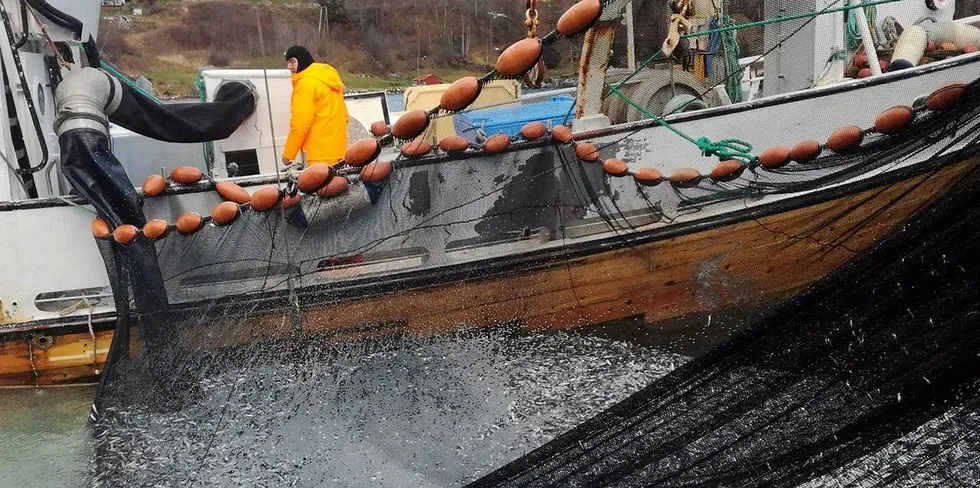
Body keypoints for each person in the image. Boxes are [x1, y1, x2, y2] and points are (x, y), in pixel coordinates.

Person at [282, 45, 349, 167]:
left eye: (292, 62)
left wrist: (288, 154)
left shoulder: (305, 84)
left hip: (317, 156)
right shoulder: (329, 78)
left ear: (301, 61)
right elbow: (345, 116)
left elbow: (301, 124)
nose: (289, 66)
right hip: (339, 152)